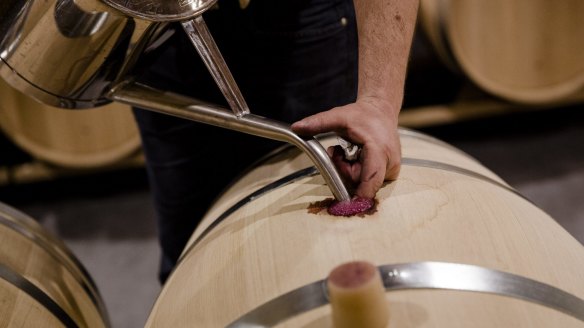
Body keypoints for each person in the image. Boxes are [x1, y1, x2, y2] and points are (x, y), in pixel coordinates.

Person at [133, 0, 419, 284]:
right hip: (156, 30)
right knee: (187, 262)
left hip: (291, 31)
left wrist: (378, 102)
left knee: (330, 255)